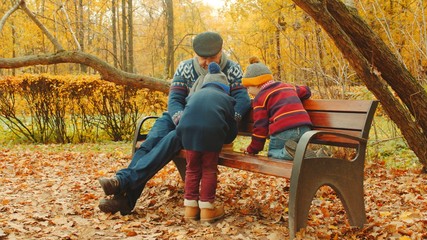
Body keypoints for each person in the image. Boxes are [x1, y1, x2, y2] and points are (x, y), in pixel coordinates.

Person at [97, 31, 251, 215]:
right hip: (176, 118)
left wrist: (229, 121)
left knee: (170, 140)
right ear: (195, 54)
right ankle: (124, 196)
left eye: (212, 57)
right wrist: (181, 119)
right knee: (149, 144)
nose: (207, 62)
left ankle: (123, 185)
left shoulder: (232, 69)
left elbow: (242, 99)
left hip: (200, 126)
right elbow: (175, 99)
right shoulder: (185, 67)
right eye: (203, 58)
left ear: (221, 52)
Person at [176, 62, 237, 222]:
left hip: (187, 134)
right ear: (224, 87)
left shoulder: (194, 95)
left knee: (192, 169)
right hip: (211, 135)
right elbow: (231, 130)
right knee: (209, 169)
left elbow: (185, 115)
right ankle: (207, 209)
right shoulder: (226, 99)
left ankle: (190, 208)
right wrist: (226, 139)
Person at [240, 57, 312, 160]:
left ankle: (289, 153)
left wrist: (253, 149)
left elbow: (260, 128)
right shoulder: (287, 86)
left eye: (248, 87)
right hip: (305, 128)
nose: (248, 91)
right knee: (299, 157)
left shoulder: (261, 98)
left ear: (257, 84)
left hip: (284, 130)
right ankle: (316, 155)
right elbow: (306, 90)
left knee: (273, 155)